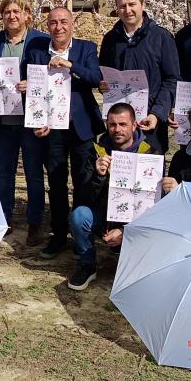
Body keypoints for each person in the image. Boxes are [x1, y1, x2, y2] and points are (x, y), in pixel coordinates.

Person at [24, 6, 103, 259]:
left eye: (63, 22)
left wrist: (70, 64)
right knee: (56, 182)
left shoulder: (86, 48)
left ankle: (81, 236)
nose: (58, 27)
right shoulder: (36, 51)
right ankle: (58, 235)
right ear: (48, 26)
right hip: (52, 128)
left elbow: (95, 78)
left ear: (72, 24)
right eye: (53, 23)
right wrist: (36, 116)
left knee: (83, 180)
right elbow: (33, 88)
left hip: (81, 126)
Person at [66, 103, 162, 290]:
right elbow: (84, 196)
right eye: (112, 124)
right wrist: (98, 175)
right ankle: (87, 264)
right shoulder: (96, 151)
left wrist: (125, 230)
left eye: (123, 124)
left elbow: (153, 204)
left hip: (136, 221)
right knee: (79, 215)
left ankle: (130, 258)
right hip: (104, 215)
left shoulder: (151, 152)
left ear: (134, 125)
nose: (117, 129)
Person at [0, 0, 48, 244]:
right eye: (7, 12)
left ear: (27, 15)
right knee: (5, 172)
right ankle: (4, 217)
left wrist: (32, 84)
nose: (12, 16)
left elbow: (48, 77)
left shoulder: (40, 41)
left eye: (16, 12)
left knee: (33, 172)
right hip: (4, 119)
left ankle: (35, 222)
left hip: (31, 118)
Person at [99, 0, 181, 155]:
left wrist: (157, 114)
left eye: (132, 4)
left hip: (149, 123)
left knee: (150, 176)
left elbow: (172, 80)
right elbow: (104, 75)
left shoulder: (161, 37)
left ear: (142, 5)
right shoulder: (110, 40)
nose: (127, 10)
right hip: (119, 127)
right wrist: (103, 85)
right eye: (122, 6)